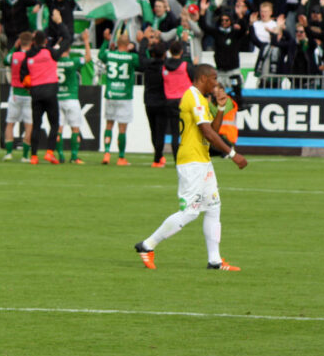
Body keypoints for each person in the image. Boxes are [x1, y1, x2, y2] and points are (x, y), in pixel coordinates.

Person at [135, 64, 249, 271]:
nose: (216, 84)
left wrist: (221, 108)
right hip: (191, 161)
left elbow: (212, 129)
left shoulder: (201, 99)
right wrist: (232, 154)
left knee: (213, 207)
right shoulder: (194, 97)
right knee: (190, 212)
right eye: (214, 79)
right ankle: (147, 245)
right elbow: (208, 133)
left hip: (202, 160)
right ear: (204, 78)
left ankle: (214, 260)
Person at [18, 13, 72, 165]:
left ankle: (34, 156)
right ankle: (49, 153)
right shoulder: (50, 53)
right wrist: (60, 23)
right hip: (50, 91)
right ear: (45, 41)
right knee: (54, 123)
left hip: (36, 92)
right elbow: (67, 40)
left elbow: (23, 77)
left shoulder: (28, 56)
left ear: (33, 42)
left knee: (36, 124)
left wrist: (29, 86)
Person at [100, 33, 140, 166]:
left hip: (111, 94)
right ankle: (121, 157)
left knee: (109, 125)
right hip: (124, 95)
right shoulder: (131, 57)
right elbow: (141, 62)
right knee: (122, 128)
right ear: (128, 44)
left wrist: (106, 42)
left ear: (117, 43)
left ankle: (106, 153)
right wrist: (135, 48)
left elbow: (100, 55)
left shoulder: (109, 55)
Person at [55, 29, 93, 165]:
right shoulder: (73, 61)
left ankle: (60, 155)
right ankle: (74, 156)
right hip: (71, 99)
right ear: (69, 49)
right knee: (75, 128)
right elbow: (88, 58)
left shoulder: (54, 61)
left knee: (58, 128)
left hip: (58, 98)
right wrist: (86, 42)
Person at [2, 32, 34, 163]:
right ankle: (25, 155)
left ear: (19, 42)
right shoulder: (33, 56)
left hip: (15, 93)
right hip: (29, 94)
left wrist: (14, 47)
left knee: (10, 123)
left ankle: (9, 153)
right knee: (29, 125)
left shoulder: (14, 55)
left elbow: (5, 60)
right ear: (31, 43)